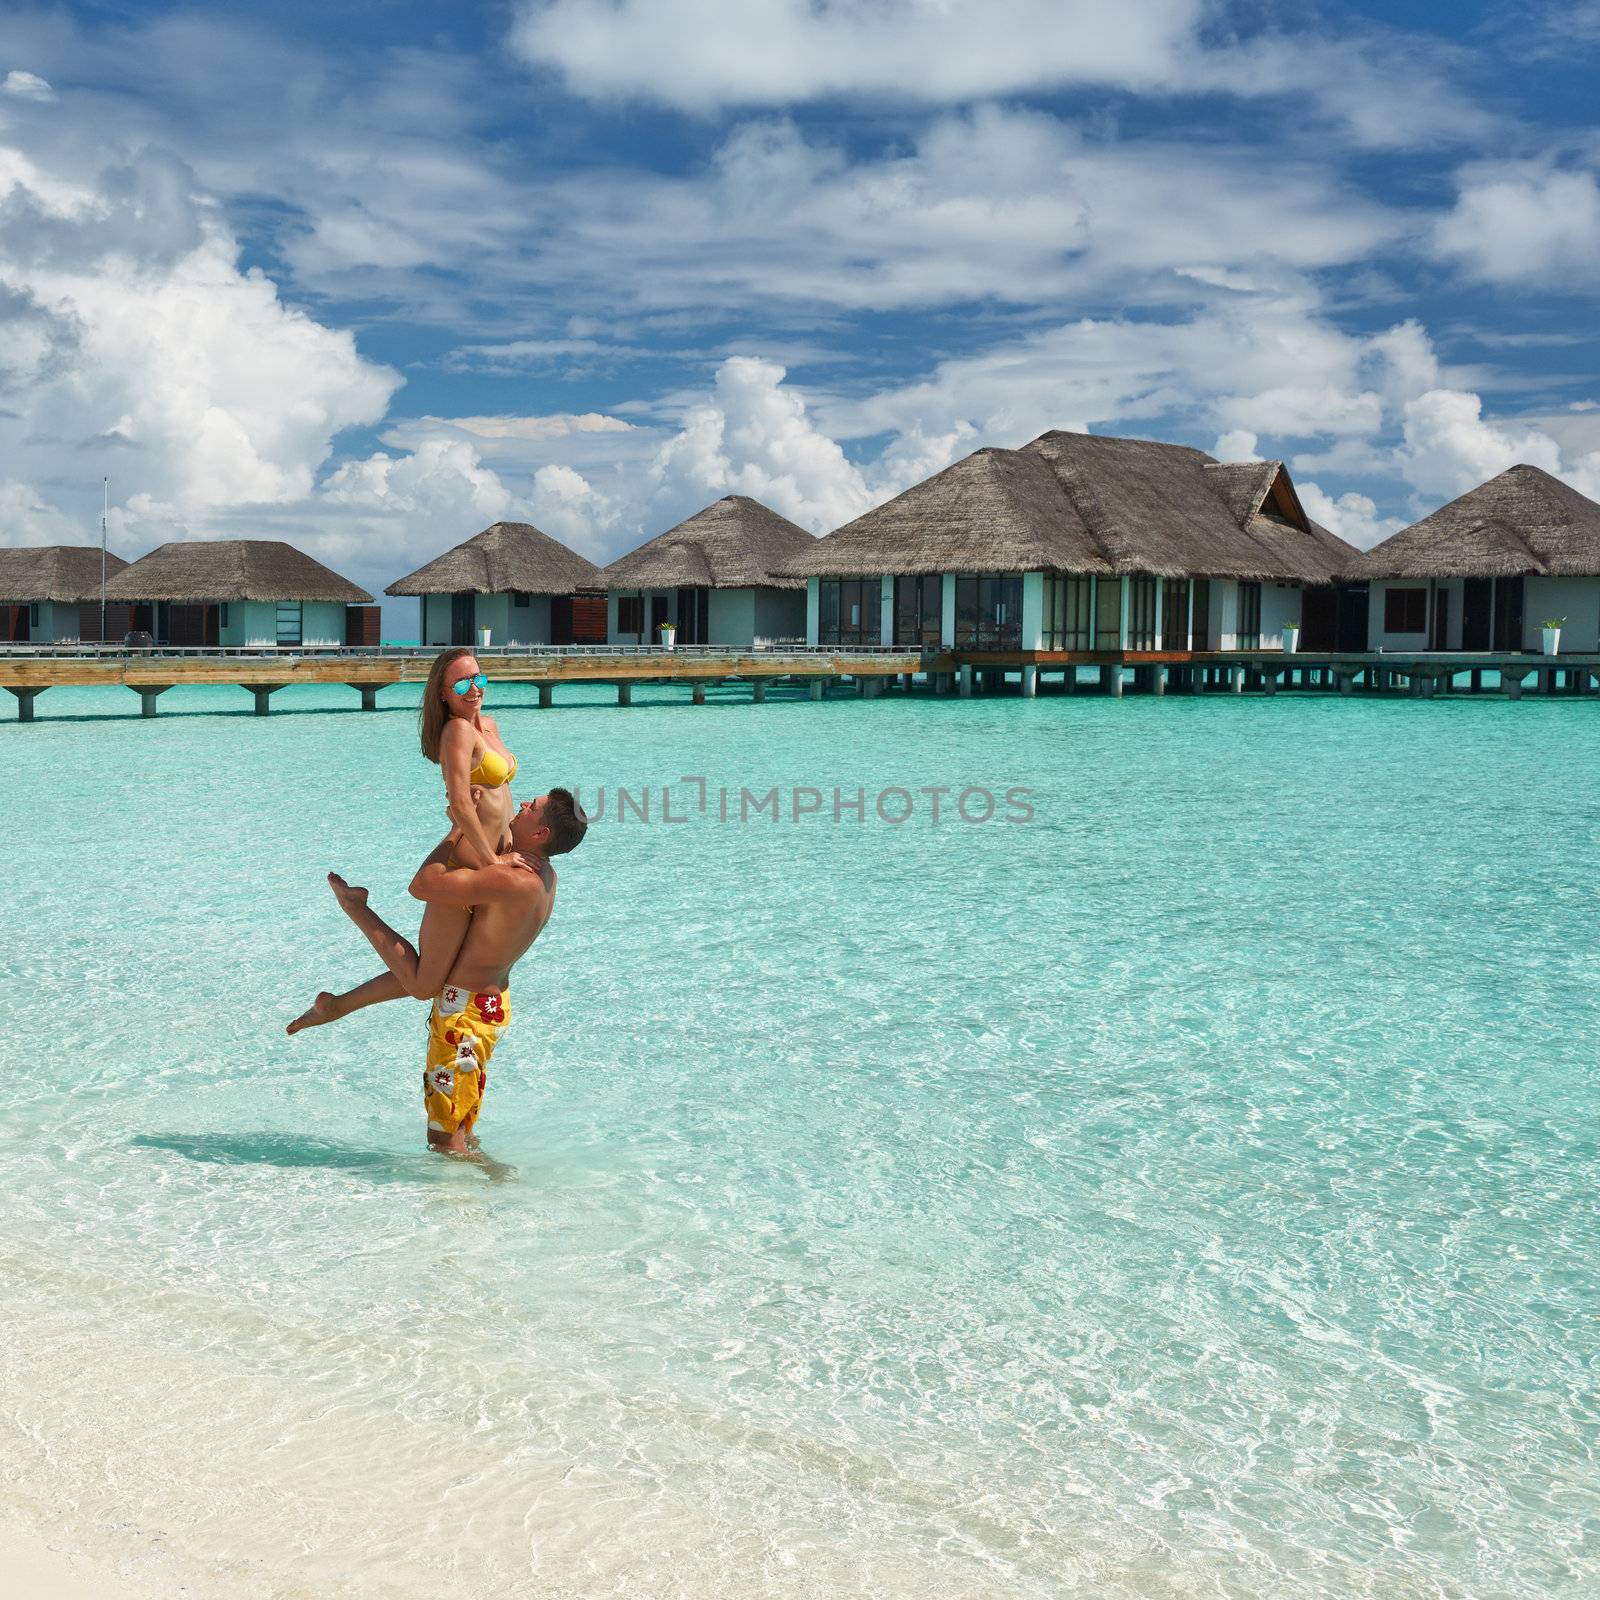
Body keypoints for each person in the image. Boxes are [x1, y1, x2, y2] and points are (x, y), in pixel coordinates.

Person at [295, 792, 588, 1153]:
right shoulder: (545, 876)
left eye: (533, 808)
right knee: (459, 1120)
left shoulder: (513, 880)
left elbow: (422, 885)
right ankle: (490, 1184)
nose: (524, 803)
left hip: (462, 1013)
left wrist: (454, 832)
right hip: (485, 1007)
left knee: (443, 1138)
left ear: (540, 834)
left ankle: (468, 1199)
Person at [287, 647, 524, 1035]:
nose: (474, 688)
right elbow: (461, 804)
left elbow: (498, 798)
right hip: (462, 872)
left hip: (485, 864)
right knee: (423, 984)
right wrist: (492, 863)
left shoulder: (490, 726)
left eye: (478, 678)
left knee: (438, 973)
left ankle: (334, 1005)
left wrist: (509, 840)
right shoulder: (456, 731)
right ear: (443, 693)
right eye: (462, 682)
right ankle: (355, 907)